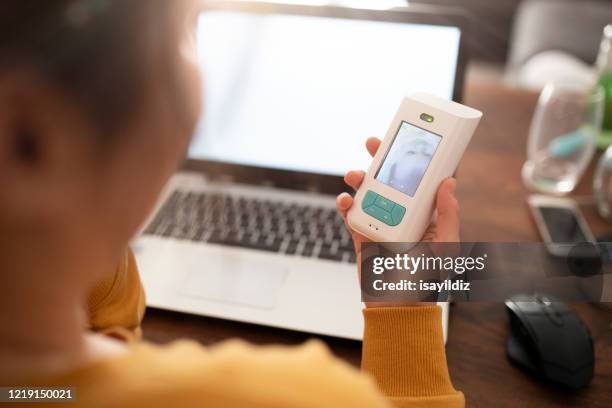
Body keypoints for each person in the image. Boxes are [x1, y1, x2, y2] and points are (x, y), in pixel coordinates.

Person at [0, 1, 463, 406]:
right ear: (31, 138)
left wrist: (78, 230)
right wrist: (404, 302)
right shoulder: (298, 398)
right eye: (183, 31)